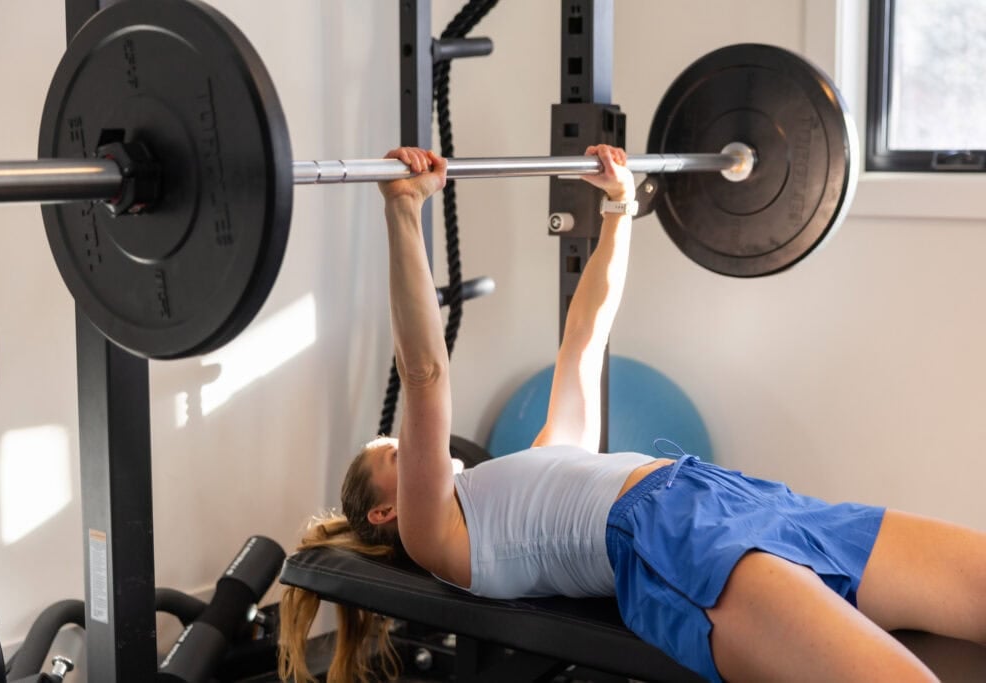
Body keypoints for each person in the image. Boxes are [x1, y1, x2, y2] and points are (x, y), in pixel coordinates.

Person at [279, 145, 986, 683]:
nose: (418, 446)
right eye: (396, 452)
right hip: (669, 542)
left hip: (741, 499)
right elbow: (426, 375)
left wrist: (620, 208)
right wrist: (403, 211)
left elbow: (585, 338)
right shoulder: (438, 534)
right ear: (384, 512)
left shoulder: (542, 461)